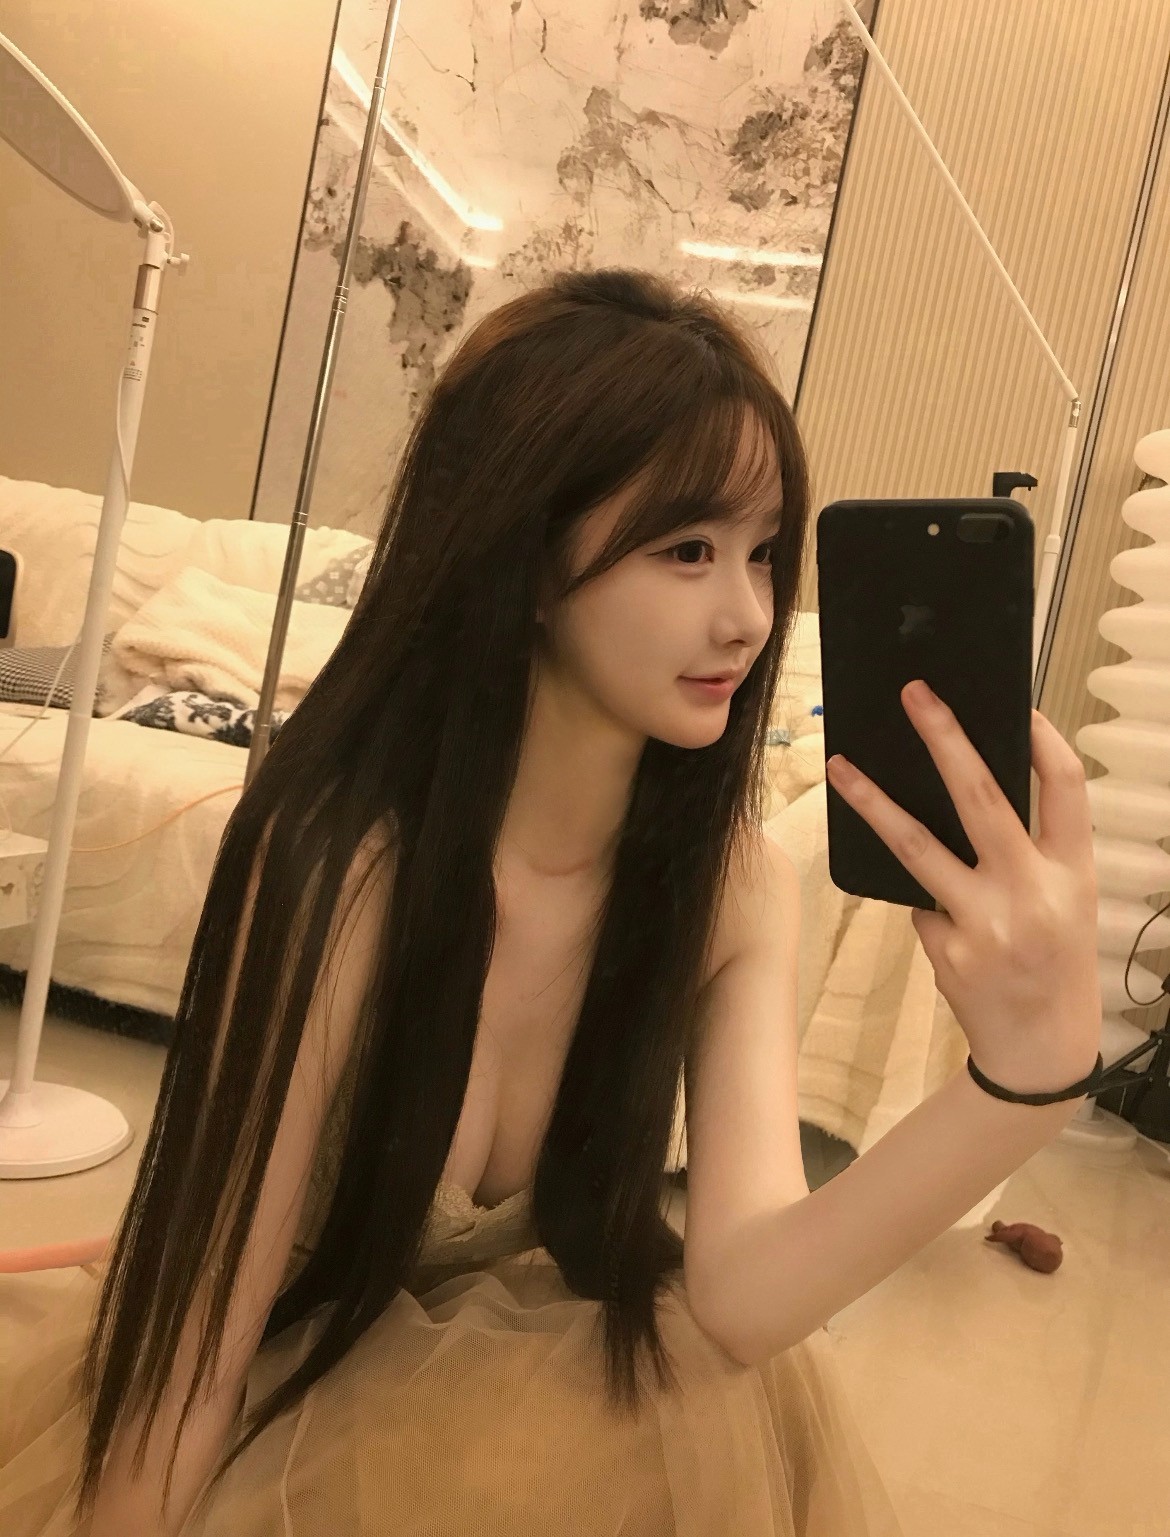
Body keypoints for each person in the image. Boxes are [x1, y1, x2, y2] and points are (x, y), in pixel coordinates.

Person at [0, 268, 1101, 1536]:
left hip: (566, 1388)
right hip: (290, 1375)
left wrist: (1025, 1080)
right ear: (522, 555)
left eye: (762, 555)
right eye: (686, 551)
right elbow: (198, 1341)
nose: (747, 617)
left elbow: (745, 1298)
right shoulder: (346, 867)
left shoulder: (734, 884)